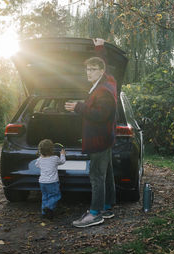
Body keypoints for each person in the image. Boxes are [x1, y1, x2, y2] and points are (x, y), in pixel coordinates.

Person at [65, 38, 117, 228]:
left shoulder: (103, 90)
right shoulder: (107, 80)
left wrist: (79, 107)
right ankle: (107, 207)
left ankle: (95, 213)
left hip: (99, 140)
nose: (88, 73)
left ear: (100, 72)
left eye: (92, 70)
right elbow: (105, 67)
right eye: (87, 69)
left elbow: (101, 115)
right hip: (106, 139)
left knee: (97, 176)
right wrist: (100, 49)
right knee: (108, 174)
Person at [35, 139, 66, 220]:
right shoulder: (55, 158)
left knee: (45, 196)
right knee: (55, 196)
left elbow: (37, 165)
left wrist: (41, 156)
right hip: (52, 182)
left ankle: (44, 213)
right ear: (51, 149)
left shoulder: (40, 160)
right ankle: (48, 208)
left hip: (42, 182)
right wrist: (62, 154)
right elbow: (62, 161)